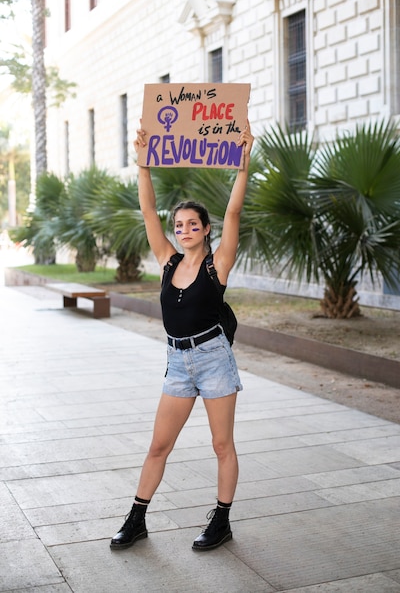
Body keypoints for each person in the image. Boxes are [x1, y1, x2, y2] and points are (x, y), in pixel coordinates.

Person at [110, 120, 254, 552]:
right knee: (158, 445)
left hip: (213, 358)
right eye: (180, 224)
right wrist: (143, 165)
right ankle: (136, 519)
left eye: (193, 224)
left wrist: (243, 164)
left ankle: (221, 520)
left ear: (206, 230)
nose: (184, 229)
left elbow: (232, 213)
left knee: (221, 444)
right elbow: (148, 212)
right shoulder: (168, 261)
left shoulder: (218, 264)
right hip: (177, 362)